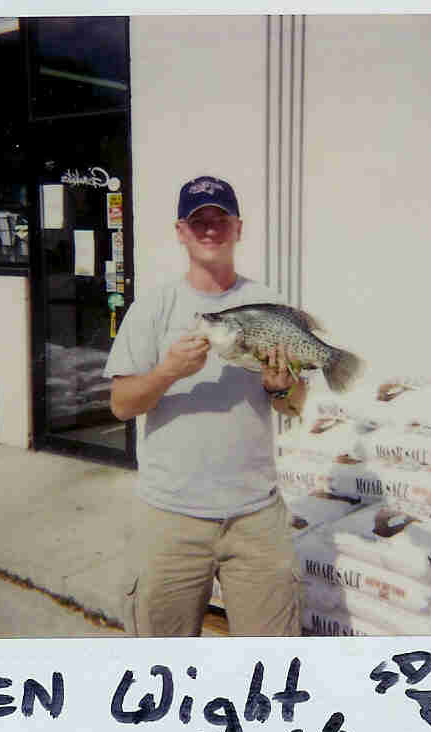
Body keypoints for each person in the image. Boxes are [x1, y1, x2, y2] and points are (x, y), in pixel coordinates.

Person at [103, 176, 307, 637]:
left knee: (273, 660)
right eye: (199, 221)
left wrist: (280, 389)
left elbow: (293, 406)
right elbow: (120, 405)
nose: (210, 229)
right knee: (162, 662)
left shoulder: (268, 305)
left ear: (239, 228)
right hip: (170, 518)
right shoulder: (153, 307)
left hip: (256, 516)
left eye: (221, 219)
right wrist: (167, 372)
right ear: (181, 232)